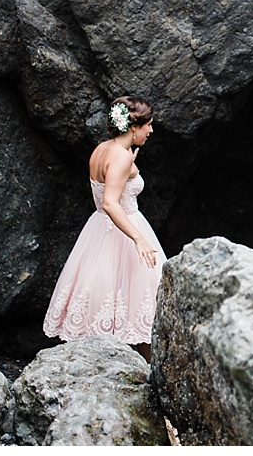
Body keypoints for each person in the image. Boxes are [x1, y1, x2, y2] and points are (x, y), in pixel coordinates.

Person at [42, 95, 166, 363]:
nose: (151, 131)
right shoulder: (120, 157)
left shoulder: (102, 150)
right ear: (134, 127)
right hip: (122, 232)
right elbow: (111, 202)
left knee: (102, 300)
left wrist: (128, 164)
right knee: (139, 311)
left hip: (98, 231)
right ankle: (152, 373)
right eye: (149, 125)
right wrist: (138, 238)